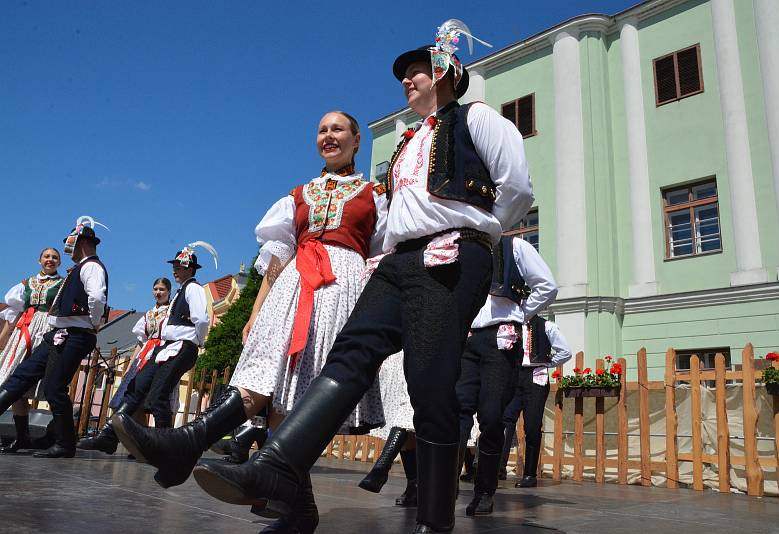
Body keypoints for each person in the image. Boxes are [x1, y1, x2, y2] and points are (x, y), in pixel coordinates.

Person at [141, 20, 532, 534]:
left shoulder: (477, 119)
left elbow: (517, 189)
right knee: (351, 351)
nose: (406, 83)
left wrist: (472, 231)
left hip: (452, 254)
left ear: (444, 73)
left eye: (415, 73)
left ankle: (434, 521)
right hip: (398, 261)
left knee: (430, 383)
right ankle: (279, 467)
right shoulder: (407, 143)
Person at [114, 110, 387, 534]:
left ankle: (193, 448)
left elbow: (381, 255)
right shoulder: (296, 196)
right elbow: (275, 263)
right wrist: (257, 313)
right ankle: (286, 503)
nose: (328, 136)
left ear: (356, 141)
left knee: (301, 394)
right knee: (268, 380)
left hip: (342, 286)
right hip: (294, 285)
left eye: (337, 130)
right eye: (321, 130)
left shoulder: (375, 194)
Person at [455, 234, 556, 516]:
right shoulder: (460, 245)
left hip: (501, 338)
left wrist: (519, 314)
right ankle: (446, 486)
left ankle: (485, 490)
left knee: (490, 416)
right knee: (457, 411)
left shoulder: (515, 246)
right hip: (466, 337)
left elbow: (547, 286)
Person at [0, 216, 109, 458]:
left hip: (74, 334)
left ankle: (65, 444)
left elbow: (97, 298)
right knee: (20, 376)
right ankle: (58, 441)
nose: (66, 249)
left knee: (54, 388)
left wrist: (92, 322)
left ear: (80, 242)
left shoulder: (91, 266)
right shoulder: (79, 268)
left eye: (69, 244)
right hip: (57, 333)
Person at [76, 277, 173, 454]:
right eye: (156, 289)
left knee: (150, 402)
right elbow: (140, 342)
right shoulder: (149, 314)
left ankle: (154, 445)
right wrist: (131, 364)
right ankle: (140, 446)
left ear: (169, 292)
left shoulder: (171, 312)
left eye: (162, 289)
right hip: (144, 355)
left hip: (161, 354)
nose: (158, 292)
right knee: (133, 401)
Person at [0, 248, 63, 453]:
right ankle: (22, 436)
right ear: (39, 260)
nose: (50, 260)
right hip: (25, 330)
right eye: (47, 256)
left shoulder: (63, 284)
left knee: (51, 384)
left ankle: (57, 435)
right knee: (15, 381)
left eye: (54, 257)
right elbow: (13, 315)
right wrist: (3, 341)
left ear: (59, 262)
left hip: (49, 331)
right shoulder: (26, 284)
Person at [498, 315, 572, 488]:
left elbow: (565, 351)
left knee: (532, 426)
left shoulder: (546, 326)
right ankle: (499, 467)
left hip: (535, 376)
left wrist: (546, 362)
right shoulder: (509, 325)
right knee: (505, 419)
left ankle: (530, 474)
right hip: (515, 376)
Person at [357, 351, 417, 507]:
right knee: (402, 416)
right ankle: (414, 486)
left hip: (428, 345)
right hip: (403, 351)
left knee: (408, 409)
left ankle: (381, 467)